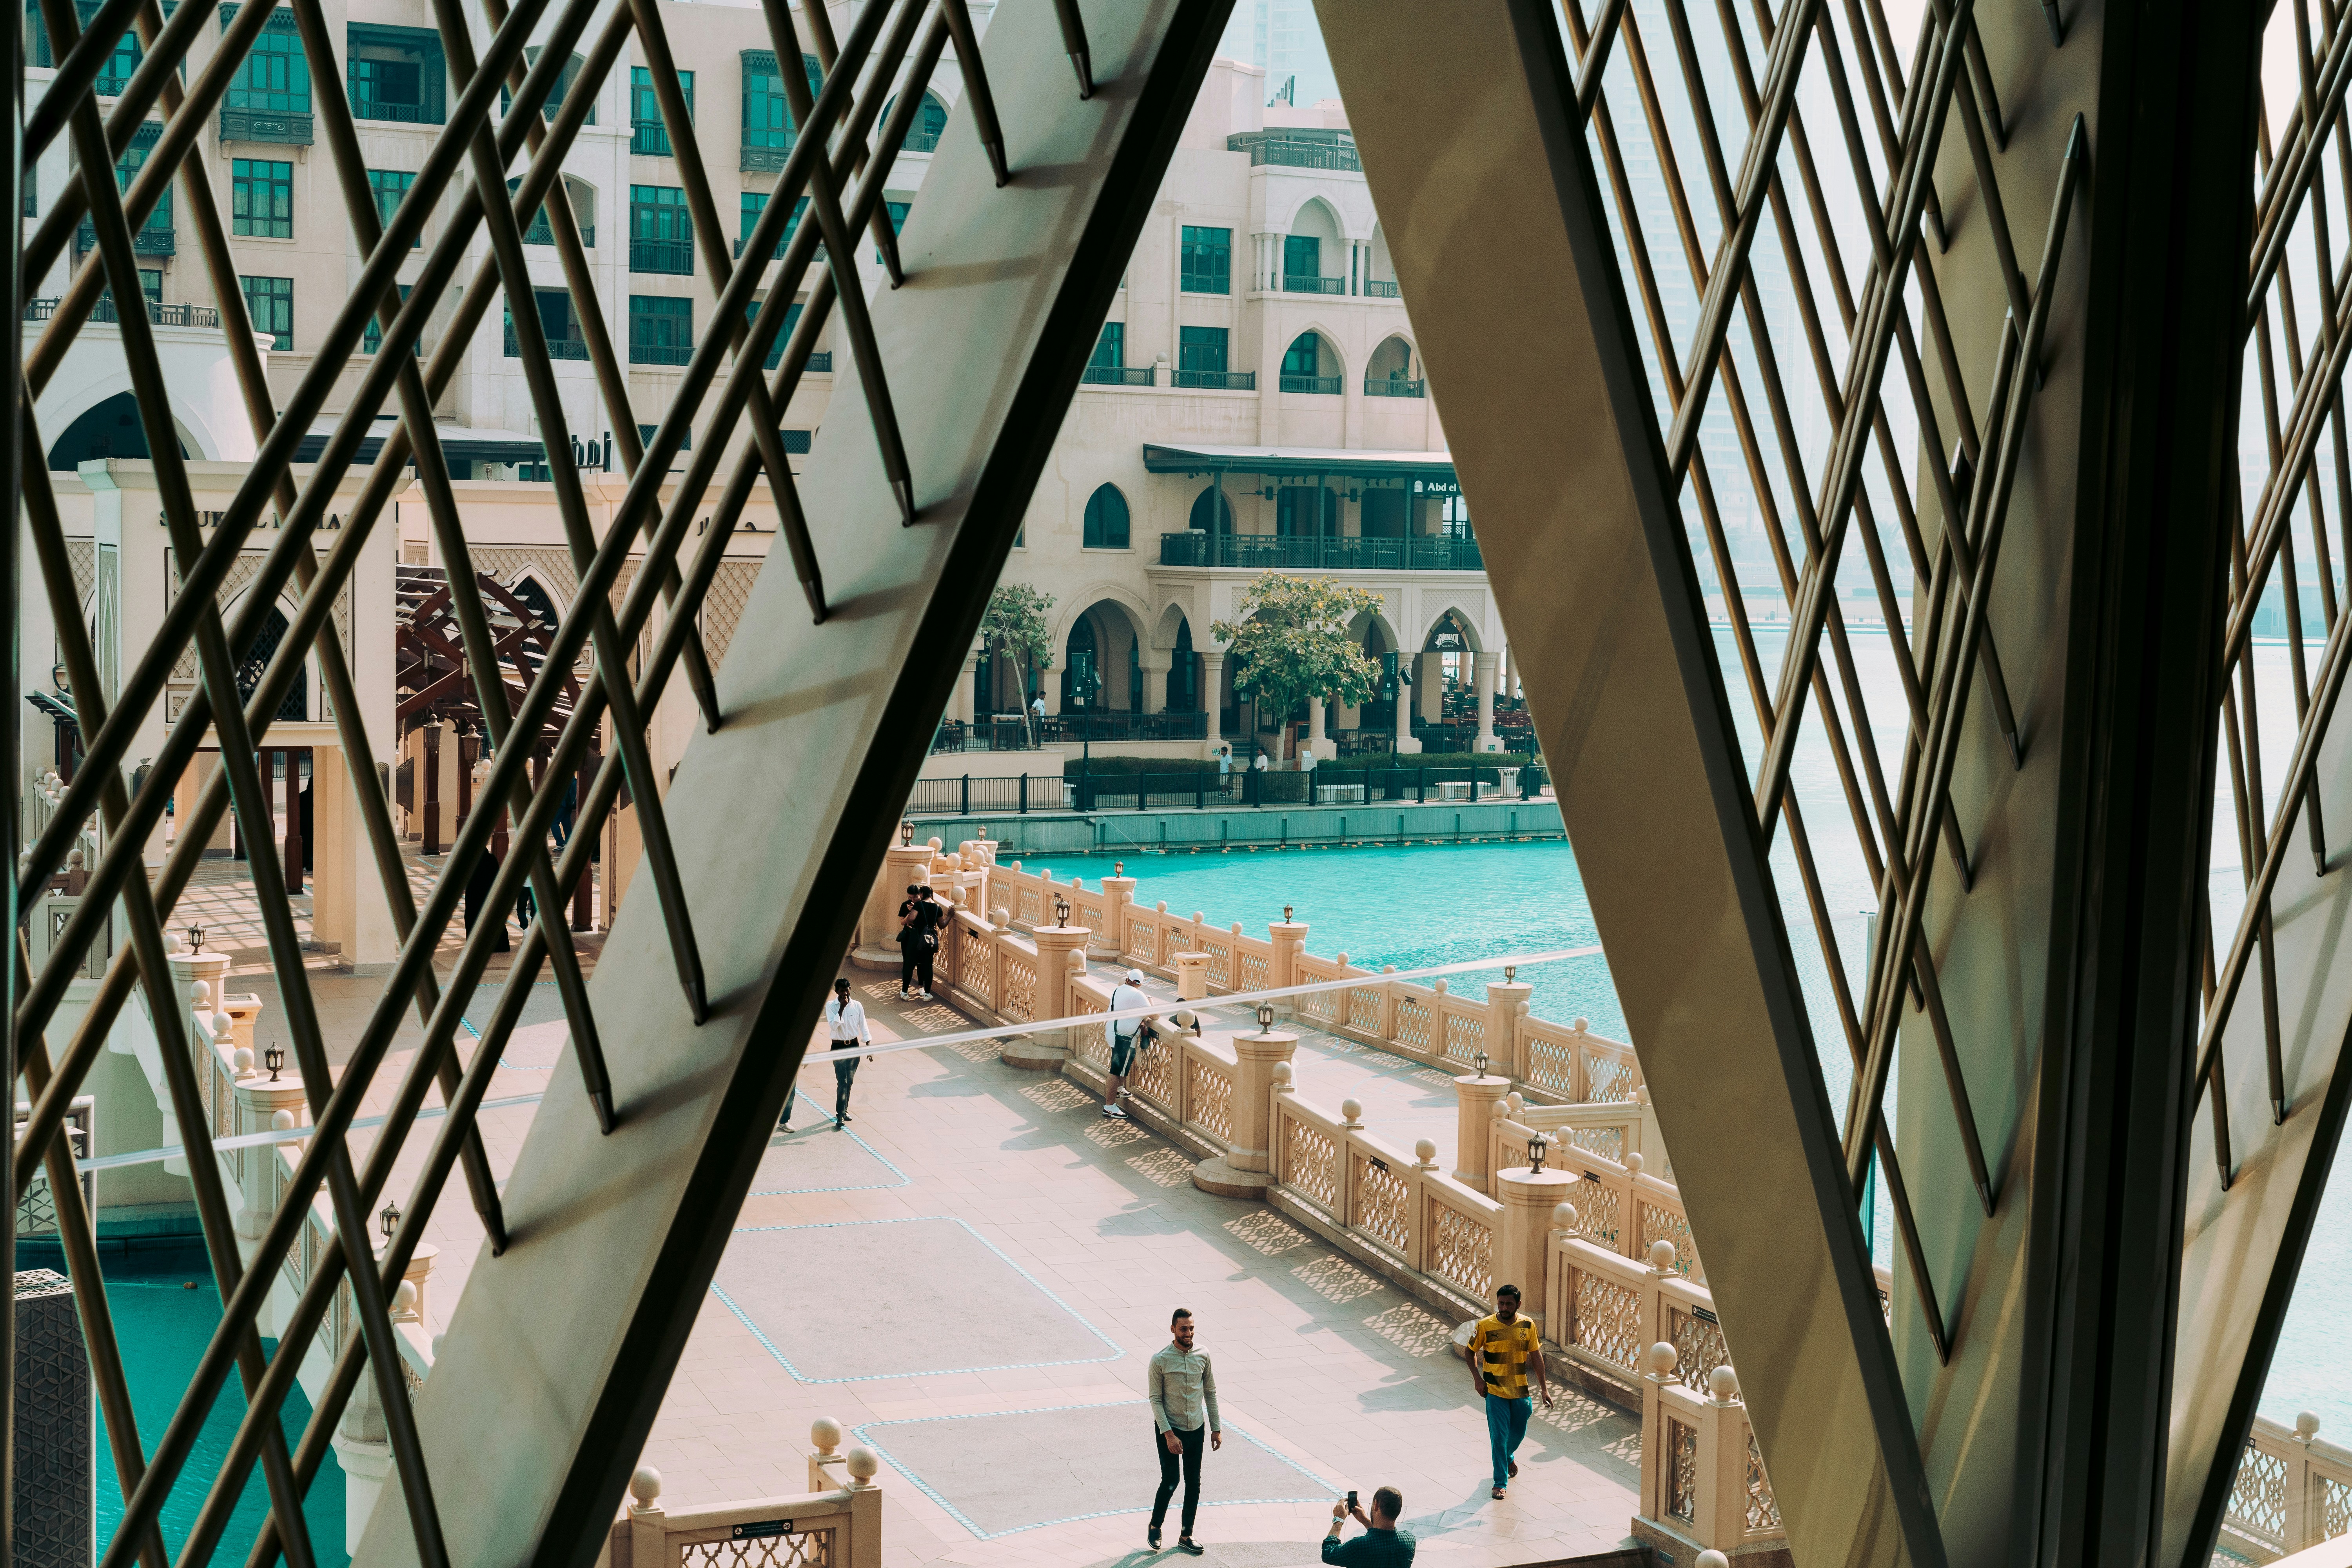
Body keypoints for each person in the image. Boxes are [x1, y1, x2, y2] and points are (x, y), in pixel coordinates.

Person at [1466, 1283, 1553, 1499]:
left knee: (1520, 1426)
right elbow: (1470, 1352)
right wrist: (1478, 1379)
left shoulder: (1527, 1325)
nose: (1504, 1308)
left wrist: (1544, 1388)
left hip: (1520, 1390)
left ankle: (1508, 1456)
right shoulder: (1485, 1326)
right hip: (1494, 1391)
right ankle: (1500, 1483)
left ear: (1518, 1305)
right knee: (1499, 1437)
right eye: (1501, 1303)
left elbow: (1536, 1357)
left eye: (1509, 1304)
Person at [1147, 1308, 1221, 1555]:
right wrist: (1169, 1435)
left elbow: (1210, 1392)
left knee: (1194, 1483)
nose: (1188, 1333)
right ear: (1173, 1330)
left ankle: (1186, 1535)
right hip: (1169, 1429)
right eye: (1183, 1329)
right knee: (1171, 1481)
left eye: (1191, 1328)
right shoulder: (1160, 1360)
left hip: (1196, 1429)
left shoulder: (1204, 1354)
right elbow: (1156, 1400)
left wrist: (1216, 1428)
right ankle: (1156, 1525)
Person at [799, 976, 868, 1132]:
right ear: (836, 992)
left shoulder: (857, 1006)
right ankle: (840, 1115)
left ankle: (845, 1109)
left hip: (854, 1047)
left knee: (849, 1082)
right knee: (842, 1081)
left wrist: (868, 1044)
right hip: (838, 1048)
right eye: (842, 991)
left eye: (847, 990)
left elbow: (864, 1026)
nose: (845, 994)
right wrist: (842, 1009)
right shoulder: (831, 1006)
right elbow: (833, 1026)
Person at [1322, 1486, 1414, 1565]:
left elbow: (1328, 1553)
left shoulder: (1359, 1546)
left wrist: (1339, 1520)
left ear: (1376, 1506)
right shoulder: (1409, 1541)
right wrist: (1365, 1520)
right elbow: (1383, 1537)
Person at [1103, 967, 1149, 1118]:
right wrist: (1151, 1001)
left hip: (1113, 1032)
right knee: (1115, 1071)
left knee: (1125, 1063)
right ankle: (1109, 1107)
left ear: (1127, 979)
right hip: (1122, 1038)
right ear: (1140, 984)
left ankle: (1119, 1089)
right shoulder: (1138, 995)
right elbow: (1154, 1015)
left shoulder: (1118, 990)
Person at [911, 885, 942, 999]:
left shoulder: (919, 905)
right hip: (930, 940)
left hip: (919, 939)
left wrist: (911, 911)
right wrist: (950, 916)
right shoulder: (938, 907)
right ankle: (928, 994)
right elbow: (942, 925)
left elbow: (911, 919)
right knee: (929, 966)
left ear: (922, 894)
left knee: (920, 963)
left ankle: (920, 987)